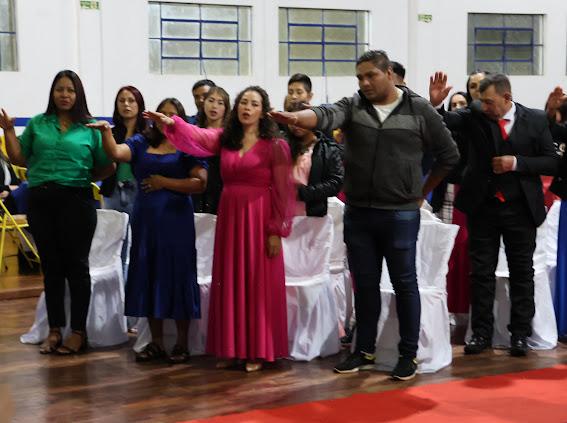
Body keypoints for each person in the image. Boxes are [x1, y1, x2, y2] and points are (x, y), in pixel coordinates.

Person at [270, 50, 459, 380]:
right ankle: (363, 350)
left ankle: (408, 355)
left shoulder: (418, 108)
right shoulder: (353, 105)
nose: (364, 82)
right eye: (360, 77)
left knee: (405, 285)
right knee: (366, 286)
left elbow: (449, 154)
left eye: (370, 75)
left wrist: (421, 191)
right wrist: (298, 118)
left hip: (400, 214)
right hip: (360, 213)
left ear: (389, 73)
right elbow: (326, 114)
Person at [144, 86, 293, 372]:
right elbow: (199, 136)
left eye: (254, 103)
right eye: (243, 103)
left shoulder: (276, 145)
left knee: (256, 283)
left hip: (259, 217)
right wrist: (173, 123)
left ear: (263, 111)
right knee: (231, 280)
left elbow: (283, 192)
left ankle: (257, 350)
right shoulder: (226, 138)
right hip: (231, 216)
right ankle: (232, 347)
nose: (247, 108)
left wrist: (275, 229)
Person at [429, 72, 560, 357]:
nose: (484, 107)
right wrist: (436, 105)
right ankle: (481, 334)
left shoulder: (535, 120)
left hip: (521, 208)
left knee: (522, 273)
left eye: (489, 103)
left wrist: (517, 163)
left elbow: (552, 162)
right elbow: (445, 123)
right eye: (481, 102)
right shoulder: (475, 114)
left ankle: (520, 335)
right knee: (482, 273)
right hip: (483, 206)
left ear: (507, 97)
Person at [0, 70, 115, 355]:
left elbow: (107, 166)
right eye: (60, 89)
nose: (65, 95)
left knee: (77, 267)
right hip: (41, 200)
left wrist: (81, 178)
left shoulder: (91, 128)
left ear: (79, 95)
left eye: (70, 90)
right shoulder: (39, 123)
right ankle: (54, 330)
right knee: (51, 267)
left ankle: (78, 332)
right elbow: (19, 157)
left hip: (76, 200)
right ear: (53, 93)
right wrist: (9, 131)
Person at [88, 97, 207, 363]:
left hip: (176, 221)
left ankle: (182, 342)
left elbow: (200, 183)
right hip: (147, 221)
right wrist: (107, 132)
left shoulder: (188, 146)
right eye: (161, 113)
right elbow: (116, 154)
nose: (165, 118)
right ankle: (155, 341)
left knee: (177, 274)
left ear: (181, 119)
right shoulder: (141, 142)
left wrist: (164, 182)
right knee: (149, 272)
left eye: (172, 114)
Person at [430, 91, 471, 323]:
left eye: (462, 103)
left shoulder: (473, 131)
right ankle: (446, 306)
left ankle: (466, 306)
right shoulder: (444, 131)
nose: (457, 107)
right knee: (446, 254)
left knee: (465, 254)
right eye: (454, 104)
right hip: (444, 196)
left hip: (466, 196)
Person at [286, 102, 343, 216]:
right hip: (284, 213)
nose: (296, 124)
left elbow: (335, 183)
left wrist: (302, 193)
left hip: (315, 216)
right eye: (291, 120)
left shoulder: (328, 148)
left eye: (300, 119)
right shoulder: (282, 145)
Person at [100, 86, 147, 216]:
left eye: (131, 100)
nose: (126, 104)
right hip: (113, 189)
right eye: (121, 101)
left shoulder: (148, 134)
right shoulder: (110, 133)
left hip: (140, 190)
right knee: (112, 232)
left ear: (139, 104)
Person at [192, 86, 230, 214]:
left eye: (220, 103)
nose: (214, 106)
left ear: (226, 108)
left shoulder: (230, 135)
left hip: (222, 192)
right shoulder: (194, 130)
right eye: (211, 101)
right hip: (196, 192)